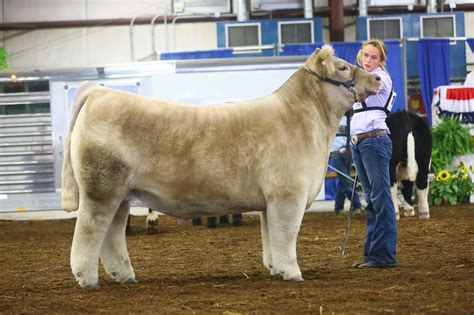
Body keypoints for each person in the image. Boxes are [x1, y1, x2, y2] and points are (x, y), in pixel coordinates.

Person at [350, 39, 398, 269]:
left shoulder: (380, 78)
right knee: (371, 198)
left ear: (381, 61)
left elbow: (371, 85)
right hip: (360, 142)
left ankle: (384, 255)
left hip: (374, 140)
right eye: (366, 55)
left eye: (374, 57)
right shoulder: (362, 76)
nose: (368, 60)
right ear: (361, 55)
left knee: (380, 197)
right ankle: (373, 254)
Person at [330, 117, 362, 216]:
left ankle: (338, 208)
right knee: (346, 180)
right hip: (336, 153)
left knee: (343, 181)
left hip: (349, 152)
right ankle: (357, 205)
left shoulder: (350, 119)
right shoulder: (331, 118)